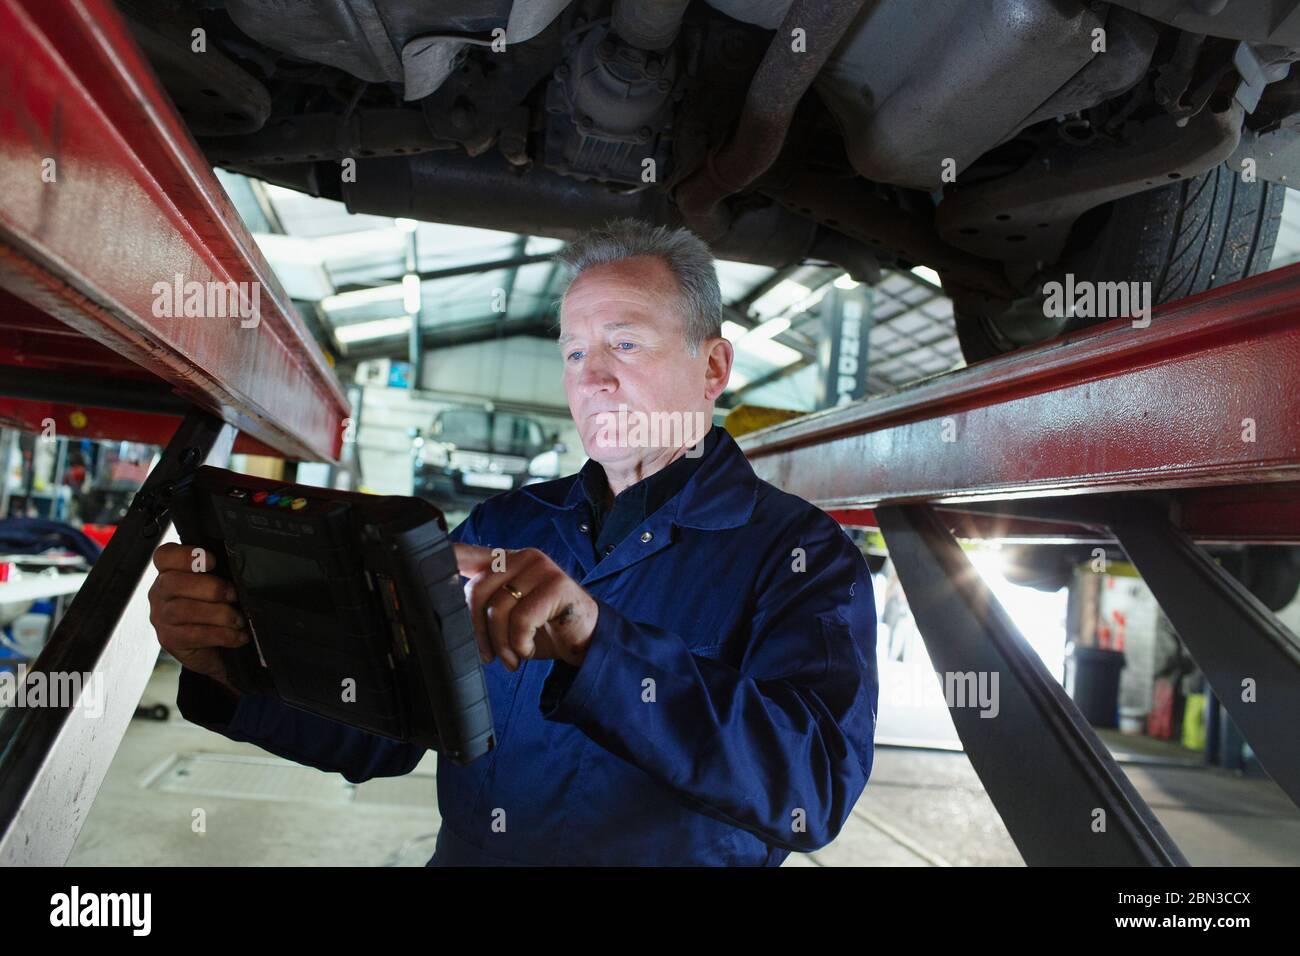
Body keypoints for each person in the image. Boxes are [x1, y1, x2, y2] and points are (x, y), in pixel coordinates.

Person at [149, 216, 879, 866]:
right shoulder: (505, 529)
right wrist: (234, 666)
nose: (593, 377)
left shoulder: (801, 558)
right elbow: (382, 732)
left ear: (713, 366)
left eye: (624, 343)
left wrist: (601, 649)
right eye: (573, 353)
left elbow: (811, 789)